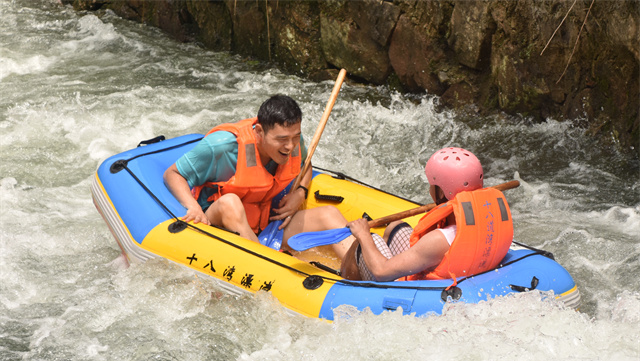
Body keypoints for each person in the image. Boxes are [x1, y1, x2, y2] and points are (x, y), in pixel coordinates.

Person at [164, 94, 353, 258]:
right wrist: (193, 207)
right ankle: (269, 266)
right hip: (218, 224)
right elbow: (173, 174)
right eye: (281, 139)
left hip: (265, 228)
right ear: (260, 132)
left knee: (329, 214)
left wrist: (301, 192)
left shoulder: (293, 142)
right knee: (231, 203)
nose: (290, 146)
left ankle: (369, 273)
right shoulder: (222, 147)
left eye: (295, 137)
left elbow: (304, 164)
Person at [340, 147, 513, 283]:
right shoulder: (492, 219)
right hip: (456, 273)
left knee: (368, 241)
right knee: (396, 227)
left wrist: (363, 235)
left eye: (432, 184)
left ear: (441, 192)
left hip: (405, 289)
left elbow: (381, 271)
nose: (429, 189)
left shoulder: (440, 239)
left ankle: (344, 282)